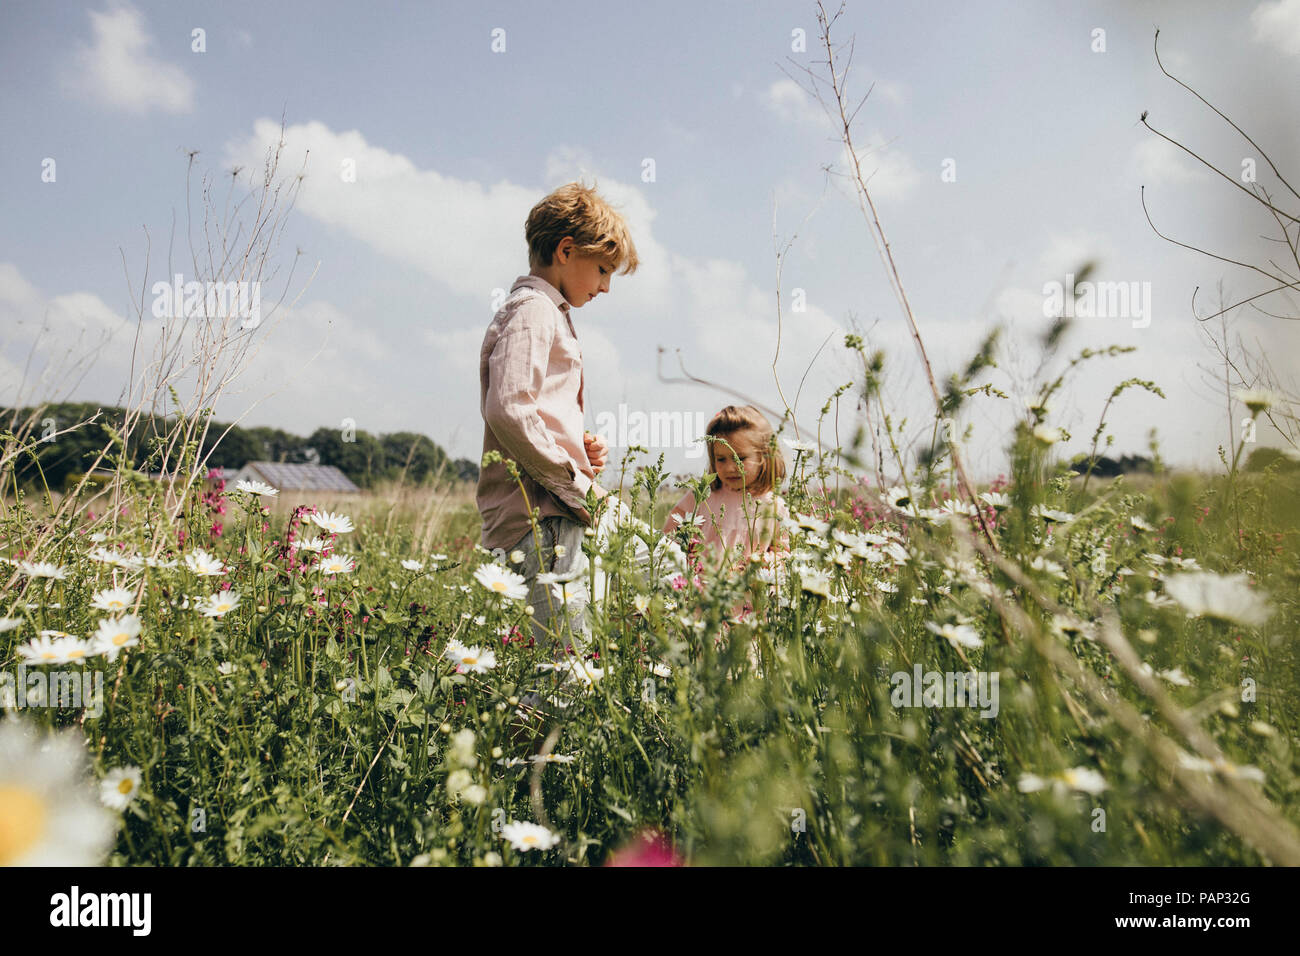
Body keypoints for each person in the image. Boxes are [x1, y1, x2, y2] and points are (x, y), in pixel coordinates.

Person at [477, 181, 638, 664]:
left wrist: (577, 447)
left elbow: (534, 410)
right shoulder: (534, 311)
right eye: (604, 270)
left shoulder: (548, 313)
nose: (606, 286)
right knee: (566, 662)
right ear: (567, 250)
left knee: (662, 568)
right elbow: (508, 407)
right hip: (546, 515)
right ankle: (549, 742)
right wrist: (570, 482)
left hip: (560, 504)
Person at [662, 405, 791, 573]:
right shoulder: (703, 495)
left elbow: (782, 551)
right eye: (721, 459)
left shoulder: (774, 506)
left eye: (740, 458)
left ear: (764, 456)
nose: (730, 467)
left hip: (748, 592)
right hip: (701, 589)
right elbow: (670, 532)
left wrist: (765, 562)